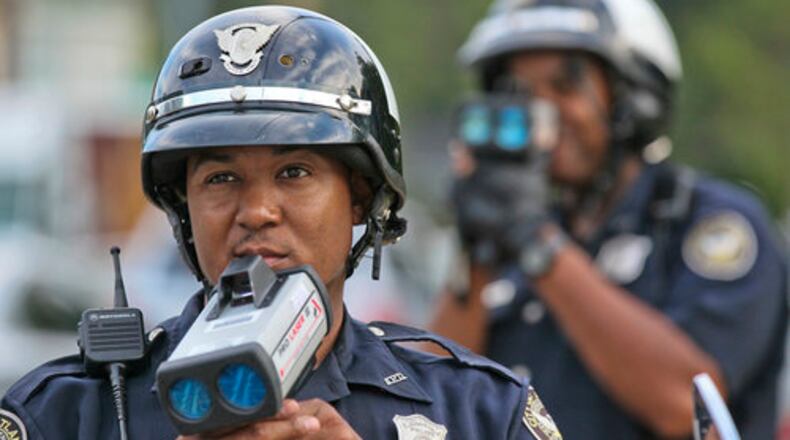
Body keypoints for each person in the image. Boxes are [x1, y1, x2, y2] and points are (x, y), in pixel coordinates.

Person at [0, 6, 562, 440]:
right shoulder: (70, 411)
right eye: (220, 179)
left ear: (362, 200)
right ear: (183, 209)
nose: (257, 211)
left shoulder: (479, 410)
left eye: (294, 172)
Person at [428, 0, 788, 438]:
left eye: (564, 87)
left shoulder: (709, 222)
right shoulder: (518, 234)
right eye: (519, 94)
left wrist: (535, 243)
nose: (542, 114)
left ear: (633, 98)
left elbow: (686, 404)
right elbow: (434, 402)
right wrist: (477, 247)